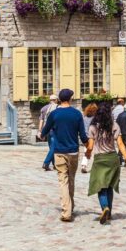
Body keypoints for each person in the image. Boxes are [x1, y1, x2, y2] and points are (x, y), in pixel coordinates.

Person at [39, 88, 90, 222]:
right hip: (73, 151)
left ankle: (66, 211)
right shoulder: (77, 114)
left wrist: (42, 135)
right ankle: (70, 207)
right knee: (71, 179)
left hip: (59, 151)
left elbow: (45, 130)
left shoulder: (54, 114)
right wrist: (87, 144)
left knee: (63, 181)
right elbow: (82, 134)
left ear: (60, 99)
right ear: (70, 99)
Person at [86, 101, 126, 224]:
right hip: (112, 159)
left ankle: (105, 207)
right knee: (110, 186)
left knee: (100, 186)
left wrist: (87, 155)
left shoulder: (93, 127)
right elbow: (121, 144)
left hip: (100, 159)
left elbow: (90, 146)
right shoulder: (114, 126)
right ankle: (109, 213)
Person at [38, 93, 58, 171]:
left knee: (51, 147)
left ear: (50, 100)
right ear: (56, 100)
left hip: (47, 130)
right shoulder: (58, 107)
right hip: (55, 130)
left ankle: (54, 165)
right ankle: (46, 163)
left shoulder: (44, 108)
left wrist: (40, 130)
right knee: (54, 147)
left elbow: (41, 120)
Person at [80, 103, 99, 174]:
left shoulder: (84, 117)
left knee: (86, 151)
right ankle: (94, 167)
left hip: (85, 136)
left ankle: (83, 165)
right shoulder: (95, 118)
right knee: (94, 152)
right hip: (93, 137)